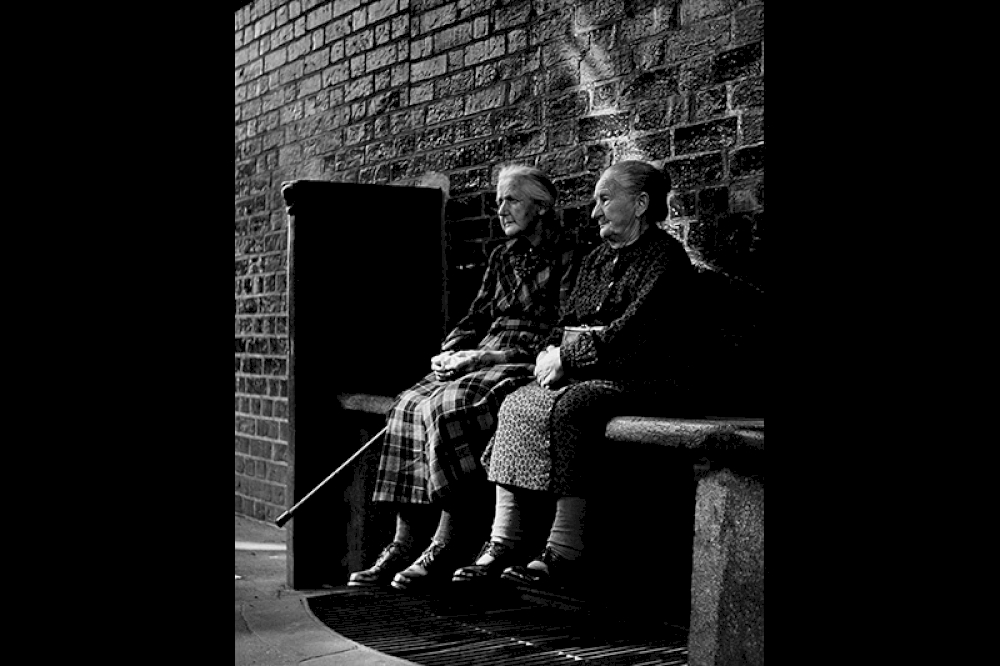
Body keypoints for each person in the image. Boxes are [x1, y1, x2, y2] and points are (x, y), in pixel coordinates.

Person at [452, 160, 694, 589]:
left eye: (605, 200)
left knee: (573, 406)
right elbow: (571, 320)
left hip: (650, 376)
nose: (595, 213)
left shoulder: (664, 257)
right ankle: (502, 540)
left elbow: (633, 333)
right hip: (597, 367)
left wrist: (570, 356)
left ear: (640, 204)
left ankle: (566, 548)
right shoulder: (600, 257)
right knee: (519, 401)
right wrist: (556, 352)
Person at [348, 165, 579, 592]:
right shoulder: (501, 256)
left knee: (448, 407)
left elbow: (561, 332)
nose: (501, 210)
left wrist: (483, 357)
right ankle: (403, 541)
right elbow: (476, 316)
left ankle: (447, 541)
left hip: (524, 359)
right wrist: (452, 350)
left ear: (542, 207)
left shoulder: (569, 252)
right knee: (407, 403)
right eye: (498, 201)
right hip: (481, 353)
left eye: (511, 199)